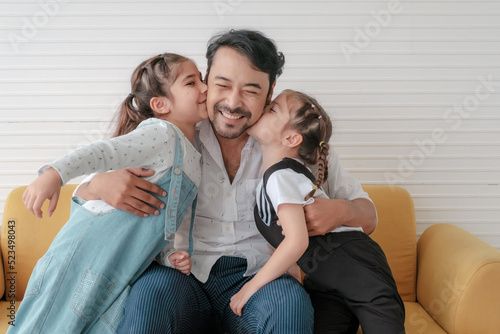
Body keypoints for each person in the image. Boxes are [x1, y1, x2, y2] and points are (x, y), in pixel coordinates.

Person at [76, 29, 378, 334]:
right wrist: (100, 185)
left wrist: (339, 212)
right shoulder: (172, 133)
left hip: (260, 280)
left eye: (250, 90)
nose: (233, 103)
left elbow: (369, 215)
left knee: (290, 306)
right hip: (180, 276)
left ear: (270, 91)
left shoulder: (294, 143)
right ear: (206, 80)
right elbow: (83, 195)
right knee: (149, 296)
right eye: (222, 84)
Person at [10, 53, 207, 334]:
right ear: (161, 104)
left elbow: (171, 215)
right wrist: (56, 174)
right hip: (81, 256)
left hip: (118, 269)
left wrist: (172, 255)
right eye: (192, 82)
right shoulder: (162, 134)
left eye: (202, 79)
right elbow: (103, 152)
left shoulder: (193, 156)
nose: (205, 87)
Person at [230, 89, 406, 333]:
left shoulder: (281, 176)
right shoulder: (275, 179)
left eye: (272, 109)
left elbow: (296, 241)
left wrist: (251, 287)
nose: (263, 109)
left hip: (357, 266)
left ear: (292, 139)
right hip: (323, 280)